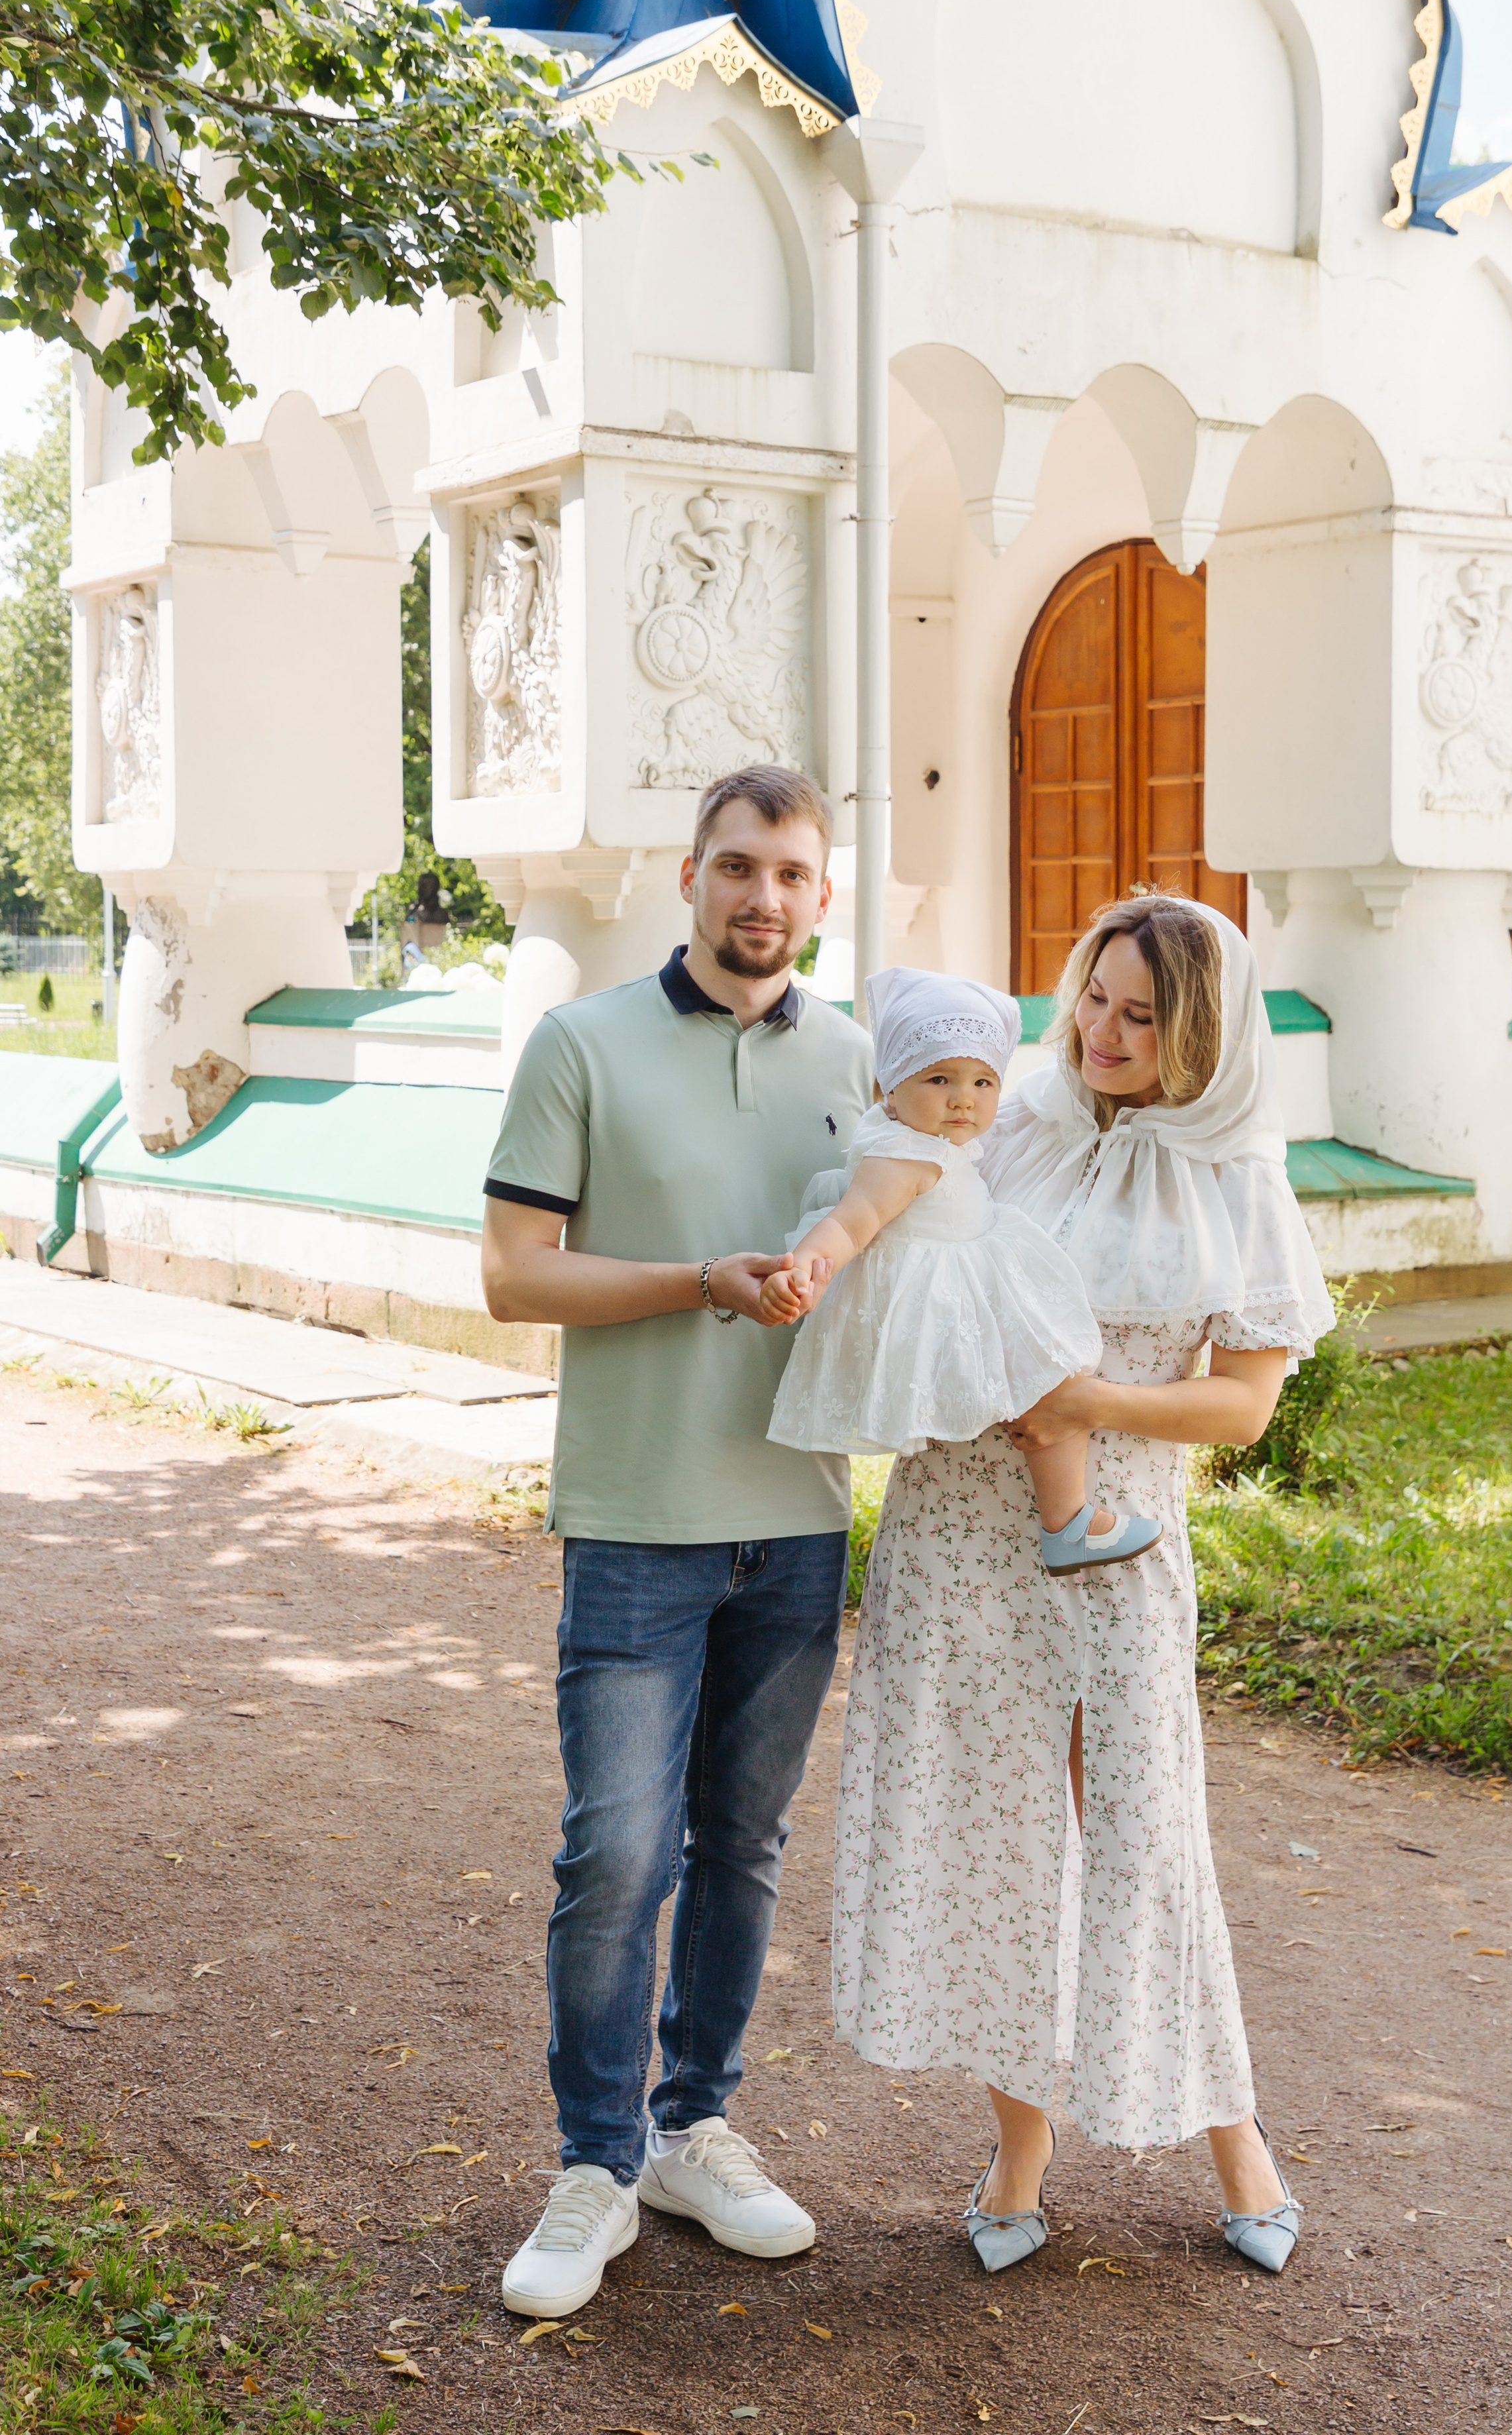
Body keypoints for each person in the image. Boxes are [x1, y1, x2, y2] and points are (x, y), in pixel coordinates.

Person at [833, 891, 1334, 2277]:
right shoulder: (1008, 1109)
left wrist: (1086, 1398)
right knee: (995, 1837)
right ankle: (1016, 2149)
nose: (1101, 1033)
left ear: (1198, 1033)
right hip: (958, 1529)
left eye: (1138, 1014)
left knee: (1140, 1830)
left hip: (1117, 1538)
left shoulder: (1236, 1174)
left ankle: (1233, 2139)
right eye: (1092, 999)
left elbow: (1241, 1409)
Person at [480, 764, 874, 2320]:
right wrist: (696, 1282)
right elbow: (516, 1273)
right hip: (638, 1520)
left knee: (744, 1846)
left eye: (787, 870)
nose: (758, 895)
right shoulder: (580, 1042)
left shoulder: (859, 1061)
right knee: (617, 1850)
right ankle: (590, 2160)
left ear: (821, 894)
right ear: (688, 877)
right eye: (732, 866)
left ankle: (688, 2126)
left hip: (797, 1521)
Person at [763, 966, 1161, 1574]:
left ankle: (1068, 1519)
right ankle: (1068, 1521)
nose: (963, 1098)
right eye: (940, 1078)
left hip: (965, 1272)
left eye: (983, 1081)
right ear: (889, 1089)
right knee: (1053, 1371)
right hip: (948, 1291)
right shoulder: (907, 1153)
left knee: (1052, 1379)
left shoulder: (925, 1136)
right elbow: (853, 1219)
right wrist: (806, 1269)